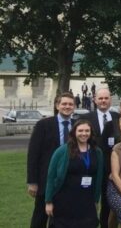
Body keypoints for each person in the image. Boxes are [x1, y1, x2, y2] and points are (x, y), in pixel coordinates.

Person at [27, 93, 77, 228]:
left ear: (74, 106)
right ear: (57, 106)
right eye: (64, 104)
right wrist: (32, 181)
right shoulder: (43, 125)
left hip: (69, 180)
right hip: (46, 179)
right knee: (40, 217)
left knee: (61, 218)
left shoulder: (78, 126)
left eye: (70, 104)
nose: (67, 107)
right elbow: (33, 154)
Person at [44, 119, 104, 227]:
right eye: (80, 131)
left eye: (87, 131)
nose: (84, 134)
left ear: (91, 133)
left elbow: (98, 177)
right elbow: (51, 177)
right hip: (64, 200)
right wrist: (48, 201)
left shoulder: (97, 152)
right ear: (74, 132)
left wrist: (96, 200)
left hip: (86, 200)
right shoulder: (62, 151)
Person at [84, 87, 120, 228]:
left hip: (113, 170)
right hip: (92, 166)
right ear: (95, 100)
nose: (103, 101)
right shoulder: (86, 118)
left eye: (106, 98)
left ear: (110, 100)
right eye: (100, 98)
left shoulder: (117, 117)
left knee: (108, 203)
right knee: (89, 201)